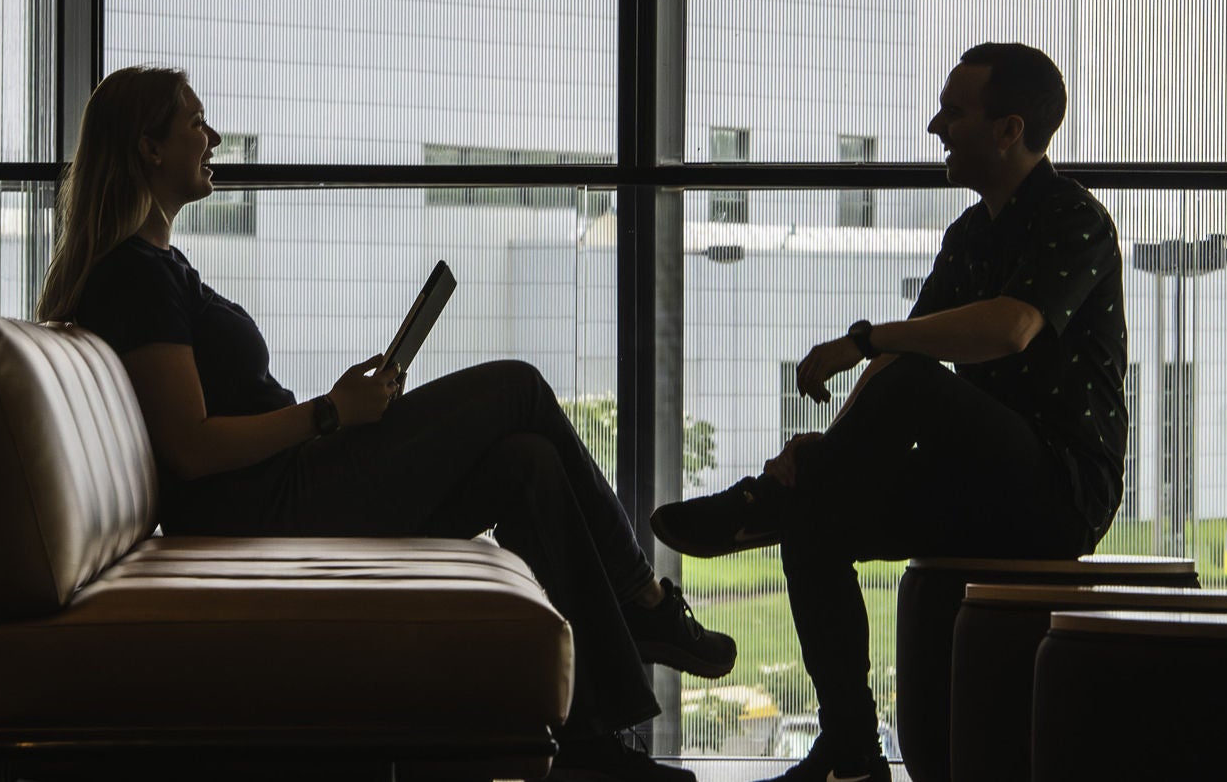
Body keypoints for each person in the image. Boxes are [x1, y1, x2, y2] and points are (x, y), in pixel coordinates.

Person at [36, 65, 736, 782]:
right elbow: (190, 447)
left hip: (287, 485)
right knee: (520, 387)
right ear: (149, 148)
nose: (213, 138)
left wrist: (342, 414)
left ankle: (591, 751)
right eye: (195, 123)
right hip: (270, 504)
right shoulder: (136, 276)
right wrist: (330, 414)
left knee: (527, 462)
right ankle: (643, 601)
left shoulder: (157, 266)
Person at [650, 43, 1127, 782]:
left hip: (1061, 490)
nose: (936, 127)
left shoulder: (1075, 217)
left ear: (1009, 130)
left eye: (953, 112)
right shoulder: (970, 236)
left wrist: (863, 340)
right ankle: (851, 750)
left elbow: (1010, 329)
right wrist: (817, 459)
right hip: (983, 486)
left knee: (899, 382)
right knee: (813, 517)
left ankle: (763, 502)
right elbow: (904, 357)